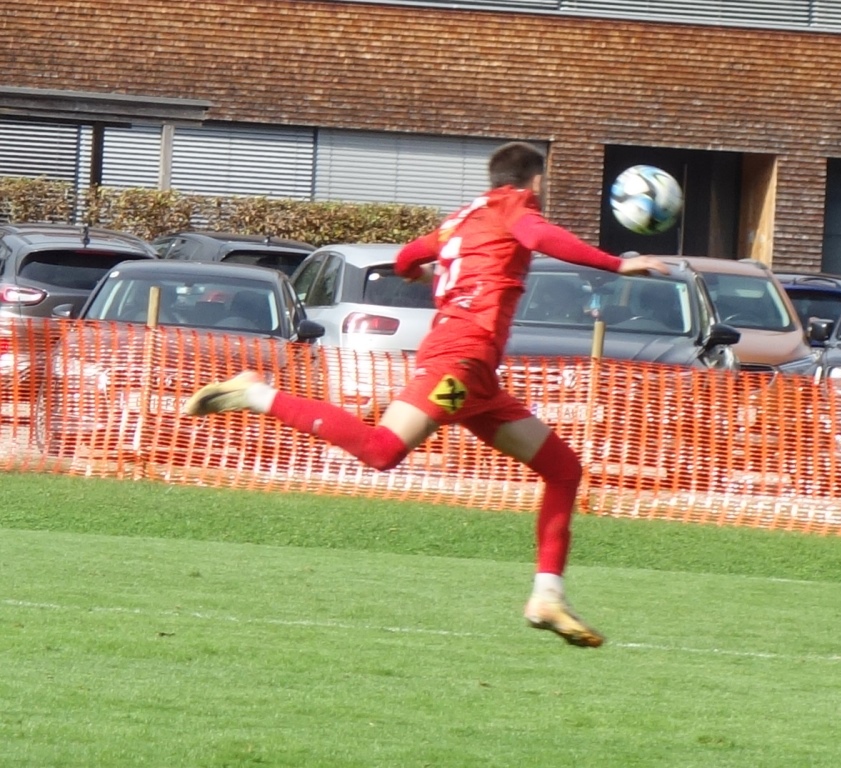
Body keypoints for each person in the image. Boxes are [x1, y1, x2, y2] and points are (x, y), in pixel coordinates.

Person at [184, 141, 669, 648]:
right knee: (382, 449)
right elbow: (538, 235)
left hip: (476, 382)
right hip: (459, 364)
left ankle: (548, 594)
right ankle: (258, 394)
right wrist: (615, 265)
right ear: (536, 182)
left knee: (563, 469)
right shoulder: (515, 207)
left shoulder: (461, 220)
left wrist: (419, 272)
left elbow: (407, 257)